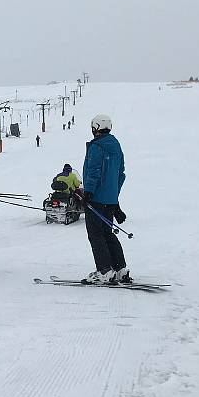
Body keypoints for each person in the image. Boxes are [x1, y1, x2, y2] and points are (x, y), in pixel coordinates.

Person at [77, 114, 130, 285]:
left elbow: (94, 171)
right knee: (107, 233)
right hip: (110, 199)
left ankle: (105, 271)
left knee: (96, 235)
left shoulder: (97, 147)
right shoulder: (116, 146)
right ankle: (120, 269)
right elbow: (120, 174)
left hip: (96, 199)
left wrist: (88, 193)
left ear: (95, 127)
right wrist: (114, 198)